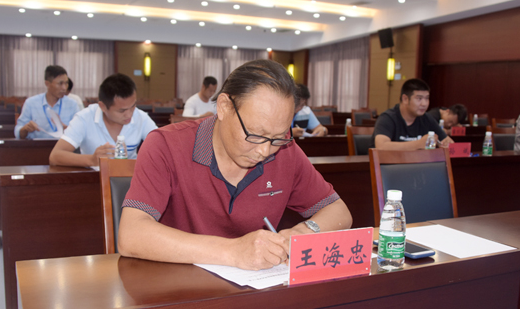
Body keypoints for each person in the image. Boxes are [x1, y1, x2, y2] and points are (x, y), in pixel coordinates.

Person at [117, 60, 352, 270]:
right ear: (224, 107)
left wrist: (303, 232)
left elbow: (339, 211)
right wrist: (233, 252)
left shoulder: (286, 152)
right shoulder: (166, 145)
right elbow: (131, 235)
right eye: (256, 135)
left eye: (278, 137)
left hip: (252, 293)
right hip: (178, 290)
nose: (264, 151)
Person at [49, 73, 158, 167]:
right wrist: (91, 160)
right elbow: (55, 156)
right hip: (94, 179)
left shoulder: (141, 117)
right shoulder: (84, 118)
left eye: (133, 106)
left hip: (131, 179)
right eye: (122, 111)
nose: (129, 114)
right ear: (103, 106)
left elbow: (162, 146)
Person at [373, 78, 454, 150]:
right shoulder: (387, 118)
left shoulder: (427, 118)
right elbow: (381, 146)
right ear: (405, 99)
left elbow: (447, 142)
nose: (424, 104)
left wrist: (446, 144)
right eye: (419, 98)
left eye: (427, 98)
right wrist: (418, 144)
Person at [15, 65, 80, 139]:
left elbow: (80, 132)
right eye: (60, 83)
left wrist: (65, 128)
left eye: (66, 83)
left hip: (63, 145)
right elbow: (18, 133)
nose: (64, 88)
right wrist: (25, 129)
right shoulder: (31, 103)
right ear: (47, 84)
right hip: (37, 145)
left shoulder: (72, 104)